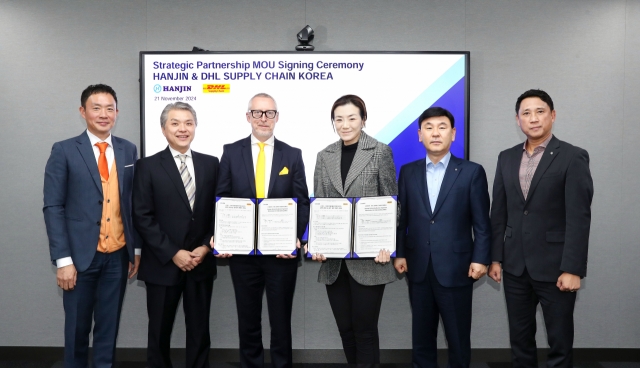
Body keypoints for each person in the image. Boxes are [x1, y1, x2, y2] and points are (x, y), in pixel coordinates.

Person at [488, 89, 593, 367]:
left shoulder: (573, 156)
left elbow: (579, 218)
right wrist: (495, 257)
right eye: (526, 113)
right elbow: (498, 211)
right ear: (517, 120)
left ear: (553, 115)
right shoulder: (506, 157)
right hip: (514, 267)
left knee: (559, 343)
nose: (533, 118)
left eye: (540, 111)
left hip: (556, 267)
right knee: (520, 341)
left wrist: (573, 268)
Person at [43, 84, 141, 367]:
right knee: (76, 329)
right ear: (82, 111)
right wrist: (63, 260)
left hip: (118, 256)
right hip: (78, 259)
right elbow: (53, 207)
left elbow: (132, 203)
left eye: (109, 108)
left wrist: (136, 250)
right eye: (96, 108)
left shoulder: (127, 149)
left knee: (108, 331)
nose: (103, 114)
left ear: (117, 113)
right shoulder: (63, 150)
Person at [214, 93, 310, 368]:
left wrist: (296, 237)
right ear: (248, 117)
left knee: (281, 320)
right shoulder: (231, 152)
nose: (263, 118)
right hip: (243, 255)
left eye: (269, 113)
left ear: (277, 117)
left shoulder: (292, 155)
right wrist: (221, 235)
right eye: (257, 113)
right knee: (248, 319)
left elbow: (301, 201)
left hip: (281, 254)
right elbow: (222, 198)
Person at [394, 106, 491, 368]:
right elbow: (402, 220)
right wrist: (400, 253)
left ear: (453, 133)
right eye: (429, 127)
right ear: (419, 135)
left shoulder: (472, 172)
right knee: (422, 337)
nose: (435, 133)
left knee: (458, 338)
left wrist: (481, 258)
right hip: (418, 266)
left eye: (442, 127)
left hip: (458, 268)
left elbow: (482, 223)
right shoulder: (408, 172)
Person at [312, 94, 397, 367]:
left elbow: (391, 204)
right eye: (339, 119)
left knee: (364, 330)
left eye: (351, 118)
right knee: (345, 330)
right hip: (335, 263)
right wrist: (317, 241)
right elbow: (321, 206)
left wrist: (386, 244)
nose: (345, 124)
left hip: (371, 260)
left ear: (363, 119)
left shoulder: (380, 151)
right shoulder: (324, 156)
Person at [133, 102, 219, 368]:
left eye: (188, 123)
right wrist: (173, 253)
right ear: (163, 128)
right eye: (175, 123)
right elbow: (142, 216)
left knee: (199, 332)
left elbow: (219, 212)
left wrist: (205, 247)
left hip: (200, 262)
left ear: (195, 127)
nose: (183, 129)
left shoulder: (211, 164)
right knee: (159, 332)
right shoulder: (147, 166)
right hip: (162, 264)